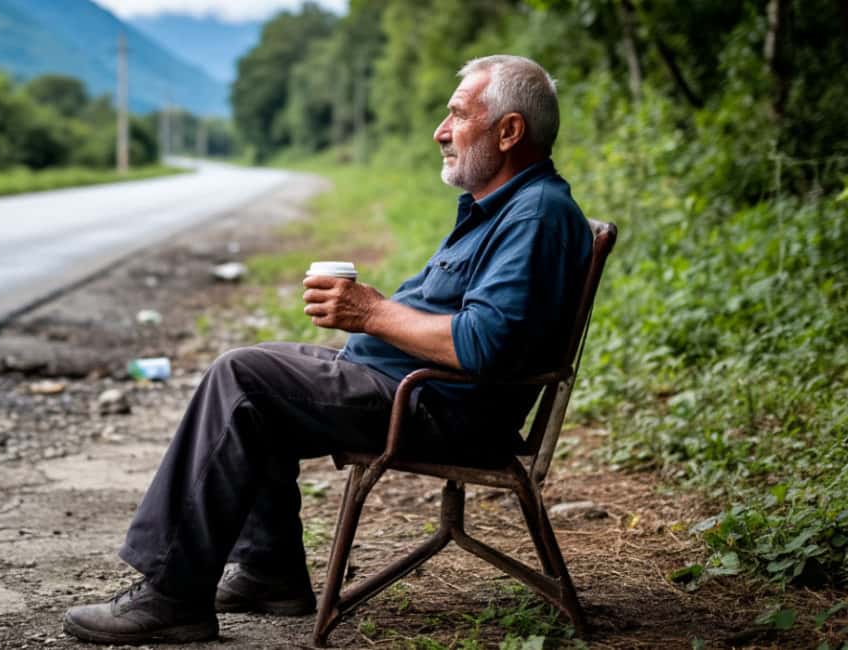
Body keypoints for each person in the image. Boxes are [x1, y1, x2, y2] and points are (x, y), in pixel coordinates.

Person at [62, 54, 593, 645]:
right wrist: (369, 323)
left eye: (458, 115)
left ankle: (172, 595)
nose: (441, 132)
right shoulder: (501, 208)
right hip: (414, 385)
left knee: (243, 379)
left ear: (510, 130)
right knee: (259, 368)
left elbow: (483, 345)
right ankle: (269, 573)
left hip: (441, 406)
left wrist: (369, 311)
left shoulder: (536, 214)